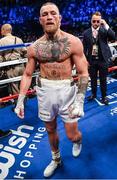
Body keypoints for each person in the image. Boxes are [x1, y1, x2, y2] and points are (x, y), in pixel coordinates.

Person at [14, 2, 89, 178]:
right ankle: (56, 159)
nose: (49, 16)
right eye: (45, 14)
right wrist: (20, 99)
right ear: (40, 20)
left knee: (72, 135)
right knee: (50, 129)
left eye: (53, 13)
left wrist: (80, 100)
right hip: (45, 90)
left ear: (60, 18)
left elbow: (83, 72)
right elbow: (27, 74)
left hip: (67, 91)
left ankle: (78, 141)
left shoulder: (73, 42)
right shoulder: (34, 47)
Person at [83, 12, 115, 105]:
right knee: (92, 79)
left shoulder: (104, 30)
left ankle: (104, 96)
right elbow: (84, 48)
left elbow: (113, 36)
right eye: (94, 21)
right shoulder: (86, 33)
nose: (96, 23)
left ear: (100, 21)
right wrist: (85, 61)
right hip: (92, 60)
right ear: (91, 21)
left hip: (103, 59)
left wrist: (105, 24)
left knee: (103, 79)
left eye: (98, 21)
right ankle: (93, 94)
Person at [0, 23, 27, 95]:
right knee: (23, 86)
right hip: (21, 66)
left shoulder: (2, 41)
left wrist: (2, 68)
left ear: (3, 30)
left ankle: (18, 105)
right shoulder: (18, 39)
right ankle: (23, 102)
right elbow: (25, 53)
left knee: (14, 87)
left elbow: (0, 57)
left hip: (11, 68)